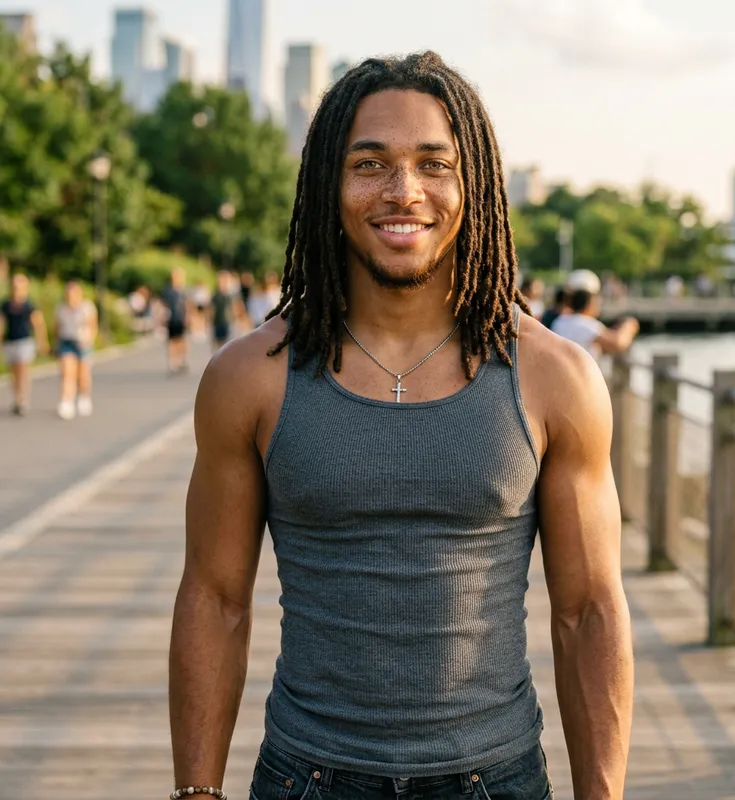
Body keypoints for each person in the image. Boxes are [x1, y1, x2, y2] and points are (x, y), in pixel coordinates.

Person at [170, 52, 633, 800]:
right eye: (370, 163)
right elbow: (214, 600)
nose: (403, 191)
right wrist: (196, 793)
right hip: (307, 778)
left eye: (433, 164)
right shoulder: (249, 376)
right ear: (330, 183)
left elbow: (588, 612)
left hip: (497, 777)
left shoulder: (556, 377)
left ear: (472, 184)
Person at [552, 270, 640, 360]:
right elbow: (617, 343)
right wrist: (629, 325)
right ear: (590, 301)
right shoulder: (585, 323)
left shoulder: (560, 321)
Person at [0, 273, 49, 415]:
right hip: (10, 341)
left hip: (24, 341)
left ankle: (23, 399)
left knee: (23, 370)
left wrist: (42, 341)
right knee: (13, 372)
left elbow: (38, 324)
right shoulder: (6, 304)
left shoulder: (29, 305)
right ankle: (17, 398)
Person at [55, 281, 98, 420]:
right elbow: (57, 327)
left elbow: (93, 326)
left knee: (83, 374)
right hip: (67, 341)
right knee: (67, 372)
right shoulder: (61, 309)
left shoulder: (87, 308)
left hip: (83, 343)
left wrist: (89, 339)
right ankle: (67, 401)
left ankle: (84, 396)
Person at [208, 270, 245, 351]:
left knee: (228, 344)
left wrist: (240, 320)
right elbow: (211, 308)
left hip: (229, 321)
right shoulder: (215, 294)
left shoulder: (233, 294)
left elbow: (239, 307)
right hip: (217, 321)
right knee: (219, 344)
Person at [162, 268, 190, 373]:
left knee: (181, 340)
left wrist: (188, 317)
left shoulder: (184, 291)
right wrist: (162, 317)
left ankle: (181, 360)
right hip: (171, 318)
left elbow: (187, 305)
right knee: (171, 341)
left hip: (181, 318)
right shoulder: (167, 291)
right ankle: (173, 363)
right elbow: (163, 305)